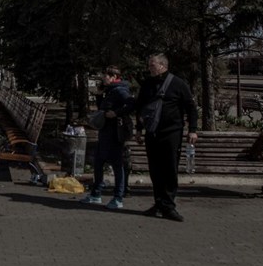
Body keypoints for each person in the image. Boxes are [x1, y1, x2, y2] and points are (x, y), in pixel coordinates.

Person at [134, 53, 198, 222]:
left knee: (169, 169)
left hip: (172, 133)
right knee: (155, 171)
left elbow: (191, 108)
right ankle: (159, 203)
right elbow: (140, 107)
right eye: (149, 65)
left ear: (162, 65)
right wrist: (139, 129)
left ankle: (168, 206)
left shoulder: (178, 84)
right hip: (152, 133)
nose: (149, 68)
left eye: (152, 65)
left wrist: (192, 129)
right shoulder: (147, 84)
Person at [80, 66, 136, 209]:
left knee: (117, 164)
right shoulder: (109, 91)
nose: (103, 78)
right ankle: (96, 193)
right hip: (106, 132)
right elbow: (103, 108)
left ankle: (118, 197)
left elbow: (131, 104)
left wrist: (116, 113)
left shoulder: (119, 90)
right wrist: (99, 95)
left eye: (105, 76)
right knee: (98, 161)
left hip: (114, 133)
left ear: (113, 77)